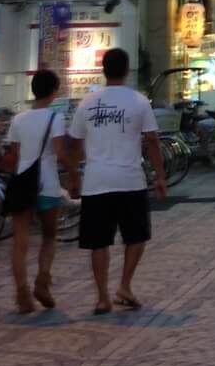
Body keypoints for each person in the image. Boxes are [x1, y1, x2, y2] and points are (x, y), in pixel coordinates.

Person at [64, 48, 167, 314]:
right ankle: (124, 285)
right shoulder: (139, 101)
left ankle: (102, 297)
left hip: (96, 181)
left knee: (99, 241)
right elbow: (153, 141)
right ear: (127, 69)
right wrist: (159, 176)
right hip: (130, 180)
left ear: (103, 70)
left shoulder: (86, 103)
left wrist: (75, 176)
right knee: (136, 237)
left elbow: (74, 143)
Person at [0, 68, 68, 315]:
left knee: (20, 241)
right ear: (52, 92)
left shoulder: (18, 119)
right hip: (47, 183)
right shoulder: (55, 118)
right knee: (50, 236)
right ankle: (42, 281)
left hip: (22, 183)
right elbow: (59, 152)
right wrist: (74, 173)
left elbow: (14, 157)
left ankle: (22, 293)